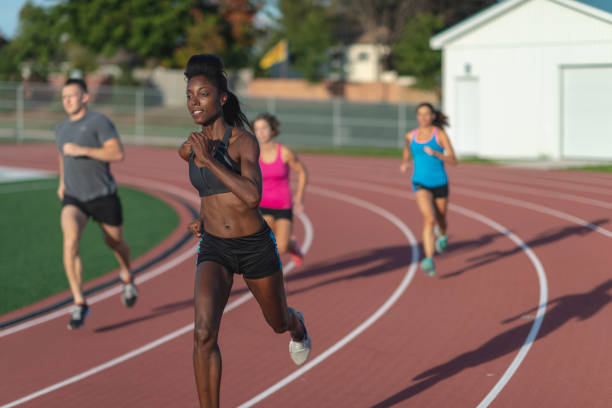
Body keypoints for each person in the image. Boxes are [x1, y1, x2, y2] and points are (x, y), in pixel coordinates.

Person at [178, 54, 311, 408]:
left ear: (222, 98)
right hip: (215, 248)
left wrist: (210, 161)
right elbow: (208, 191)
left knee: (278, 322)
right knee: (203, 333)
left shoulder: (243, 142)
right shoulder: (191, 146)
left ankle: (298, 325)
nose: (194, 102)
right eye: (190, 95)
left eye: (203, 94)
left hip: (254, 247)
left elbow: (253, 197)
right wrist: (204, 218)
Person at [56, 78, 138, 330]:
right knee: (70, 243)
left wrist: (84, 150)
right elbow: (62, 156)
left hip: (102, 196)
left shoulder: (99, 122)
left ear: (85, 97)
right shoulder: (59, 128)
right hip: (74, 198)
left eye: (72, 95)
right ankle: (79, 302)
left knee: (114, 242)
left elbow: (117, 153)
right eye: (64, 96)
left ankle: (126, 275)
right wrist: (62, 182)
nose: (67, 100)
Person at [400, 103, 457, 276]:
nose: (423, 117)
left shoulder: (440, 135)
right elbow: (407, 151)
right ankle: (428, 259)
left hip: (440, 182)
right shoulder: (410, 136)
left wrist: (436, 153)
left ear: (433, 116)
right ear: (417, 116)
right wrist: (405, 162)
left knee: (441, 220)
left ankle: (443, 235)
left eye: (426, 114)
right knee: (429, 219)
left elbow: (454, 160)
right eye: (420, 114)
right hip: (420, 183)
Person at [253, 113, 308, 266]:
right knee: (267, 248)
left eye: (264, 128)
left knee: (282, 246)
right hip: (263, 206)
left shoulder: (284, 152)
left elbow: (302, 171)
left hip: (283, 206)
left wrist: (299, 196)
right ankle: (278, 285)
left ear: (272, 130)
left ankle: (293, 247)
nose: (261, 132)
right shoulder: (253, 154)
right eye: (257, 129)